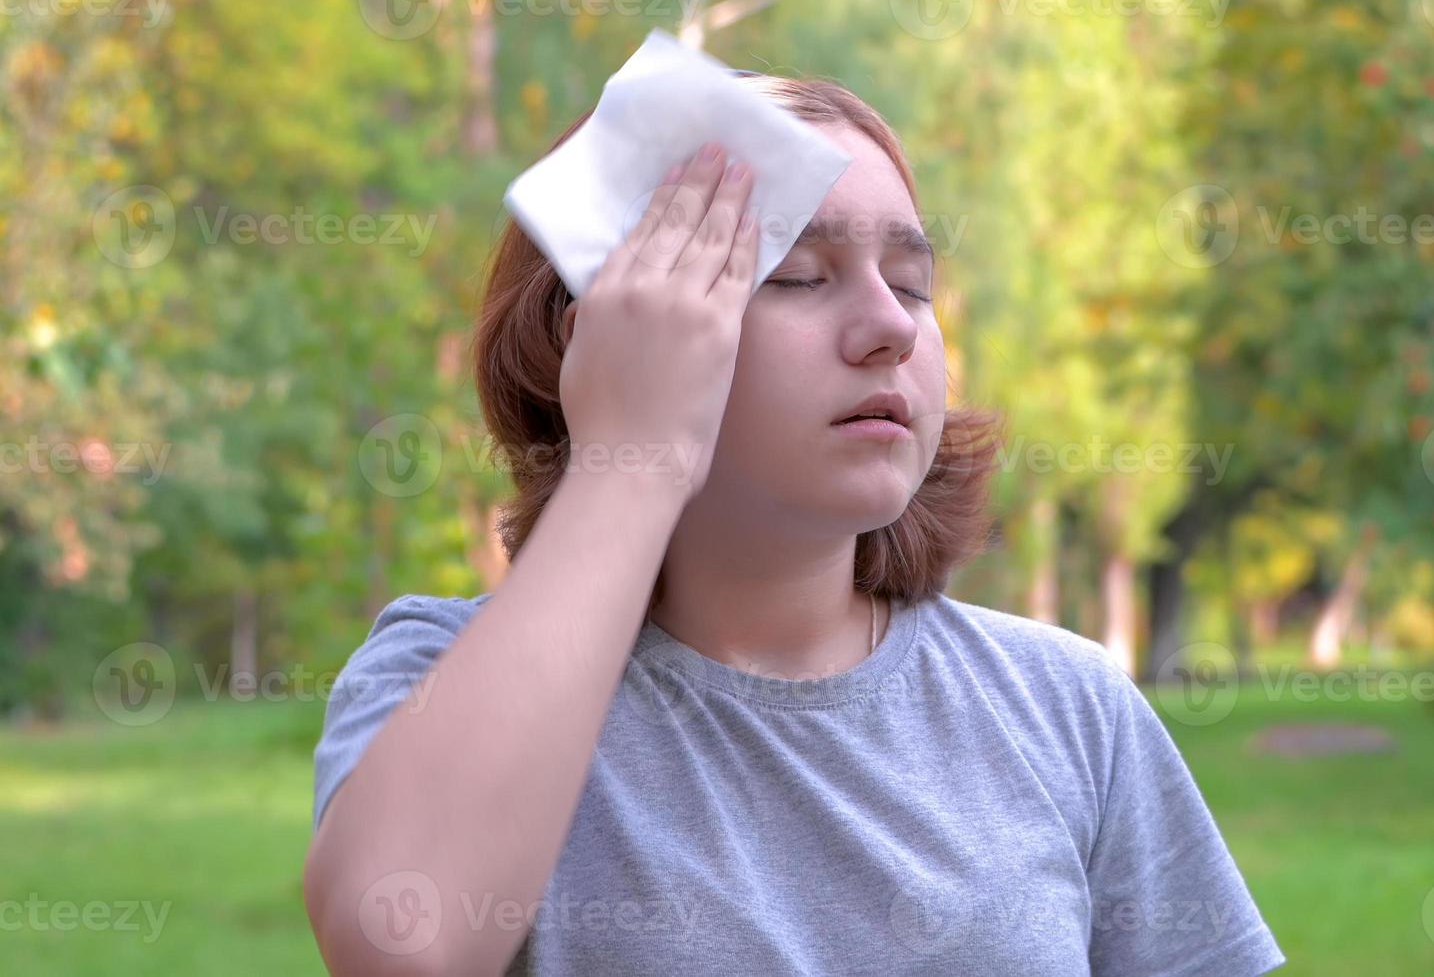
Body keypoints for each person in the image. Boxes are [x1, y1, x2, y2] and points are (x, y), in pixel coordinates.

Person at [301, 73, 1284, 977]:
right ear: (599, 338)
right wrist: (631, 453)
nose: (892, 327)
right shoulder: (438, 673)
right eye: (796, 274)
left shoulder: (1063, 705)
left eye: (911, 283)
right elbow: (406, 942)